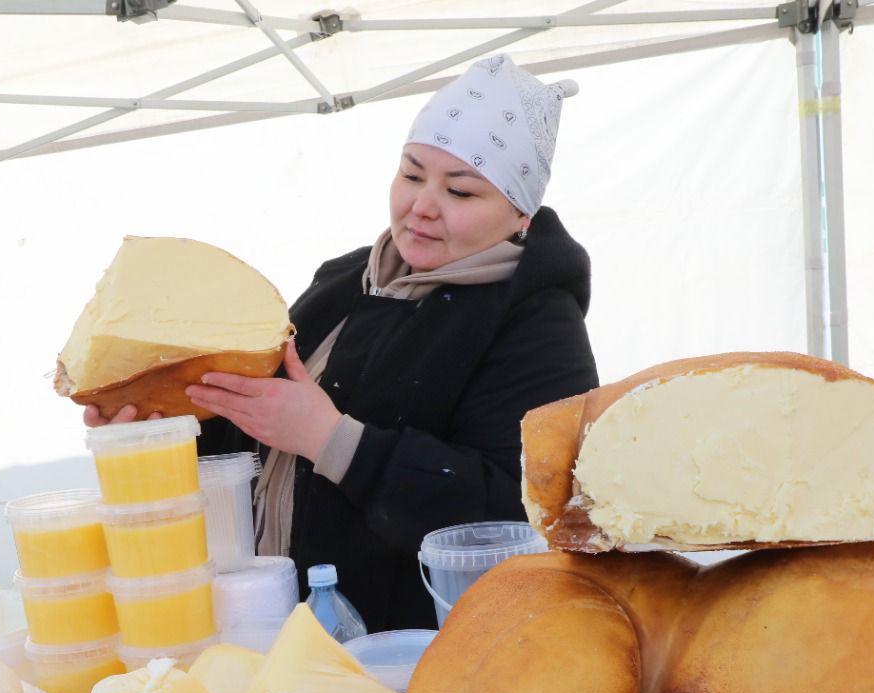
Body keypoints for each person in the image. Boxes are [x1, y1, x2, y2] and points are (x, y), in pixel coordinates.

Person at [85, 54, 599, 631]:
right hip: (269, 627)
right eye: (411, 175)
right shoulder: (342, 282)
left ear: (521, 213)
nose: (422, 206)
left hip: (407, 653)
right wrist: (162, 430)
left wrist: (334, 442)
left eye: (460, 191)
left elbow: (523, 513)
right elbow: (256, 431)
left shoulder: (538, 326)